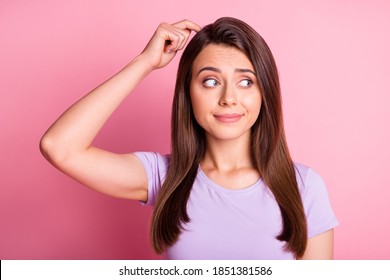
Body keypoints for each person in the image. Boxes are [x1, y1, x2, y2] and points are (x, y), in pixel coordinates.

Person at [40, 17, 338, 260]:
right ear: (188, 93)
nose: (229, 98)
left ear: (265, 93)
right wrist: (145, 63)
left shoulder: (304, 187)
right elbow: (59, 147)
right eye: (211, 81)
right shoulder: (164, 177)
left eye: (246, 81)